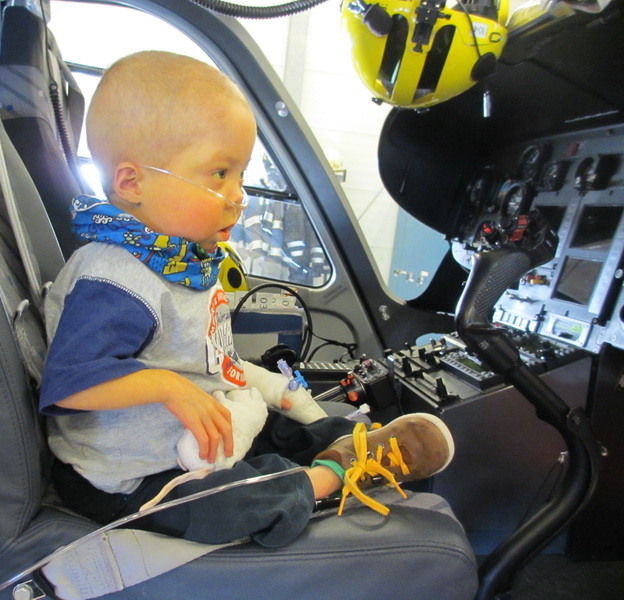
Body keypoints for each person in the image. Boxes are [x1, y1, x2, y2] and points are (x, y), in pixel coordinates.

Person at [39, 50, 454, 548]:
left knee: (279, 429)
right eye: (219, 174)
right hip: (131, 479)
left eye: (240, 176)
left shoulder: (181, 261)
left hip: (195, 433)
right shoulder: (113, 277)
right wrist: (171, 388)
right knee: (239, 499)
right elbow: (68, 384)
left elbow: (206, 358)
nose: (239, 195)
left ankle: (339, 443)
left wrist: (249, 388)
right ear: (134, 183)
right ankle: (335, 474)